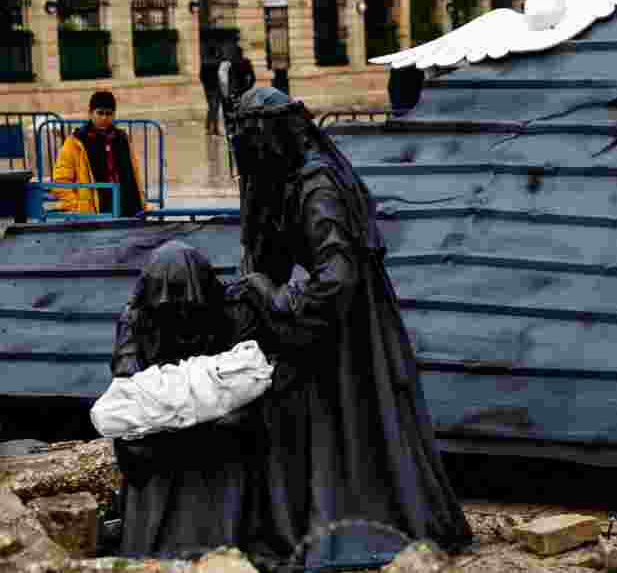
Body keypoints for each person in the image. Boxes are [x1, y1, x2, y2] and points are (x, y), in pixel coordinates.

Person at [219, 61, 473, 568]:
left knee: (345, 421)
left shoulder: (318, 187)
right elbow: (273, 251)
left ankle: (341, 522)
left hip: (347, 326)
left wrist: (274, 300)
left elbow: (336, 277)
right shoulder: (292, 176)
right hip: (333, 318)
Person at [110, 241, 267, 559]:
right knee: (136, 439)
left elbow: (248, 374)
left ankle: (221, 542)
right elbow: (126, 377)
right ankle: (150, 546)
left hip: (218, 421)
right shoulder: (136, 319)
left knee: (235, 429)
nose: (177, 309)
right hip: (160, 424)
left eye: (185, 297)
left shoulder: (231, 313)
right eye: (167, 301)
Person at [52, 91, 145, 218]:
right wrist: (79, 207)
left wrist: (142, 203)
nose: (104, 118)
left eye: (109, 114)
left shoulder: (122, 138)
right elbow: (60, 182)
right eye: (100, 113)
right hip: (95, 216)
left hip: (127, 211)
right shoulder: (75, 142)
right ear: (90, 113)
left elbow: (134, 176)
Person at [200, 47, 223, 135]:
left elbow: (201, 77)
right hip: (216, 88)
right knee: (215, 108)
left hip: (209, 88)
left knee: (212, 108)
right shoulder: (218, 63)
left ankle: (209, 127)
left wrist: (206, 85)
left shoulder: (205, 63)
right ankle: (214, 128)